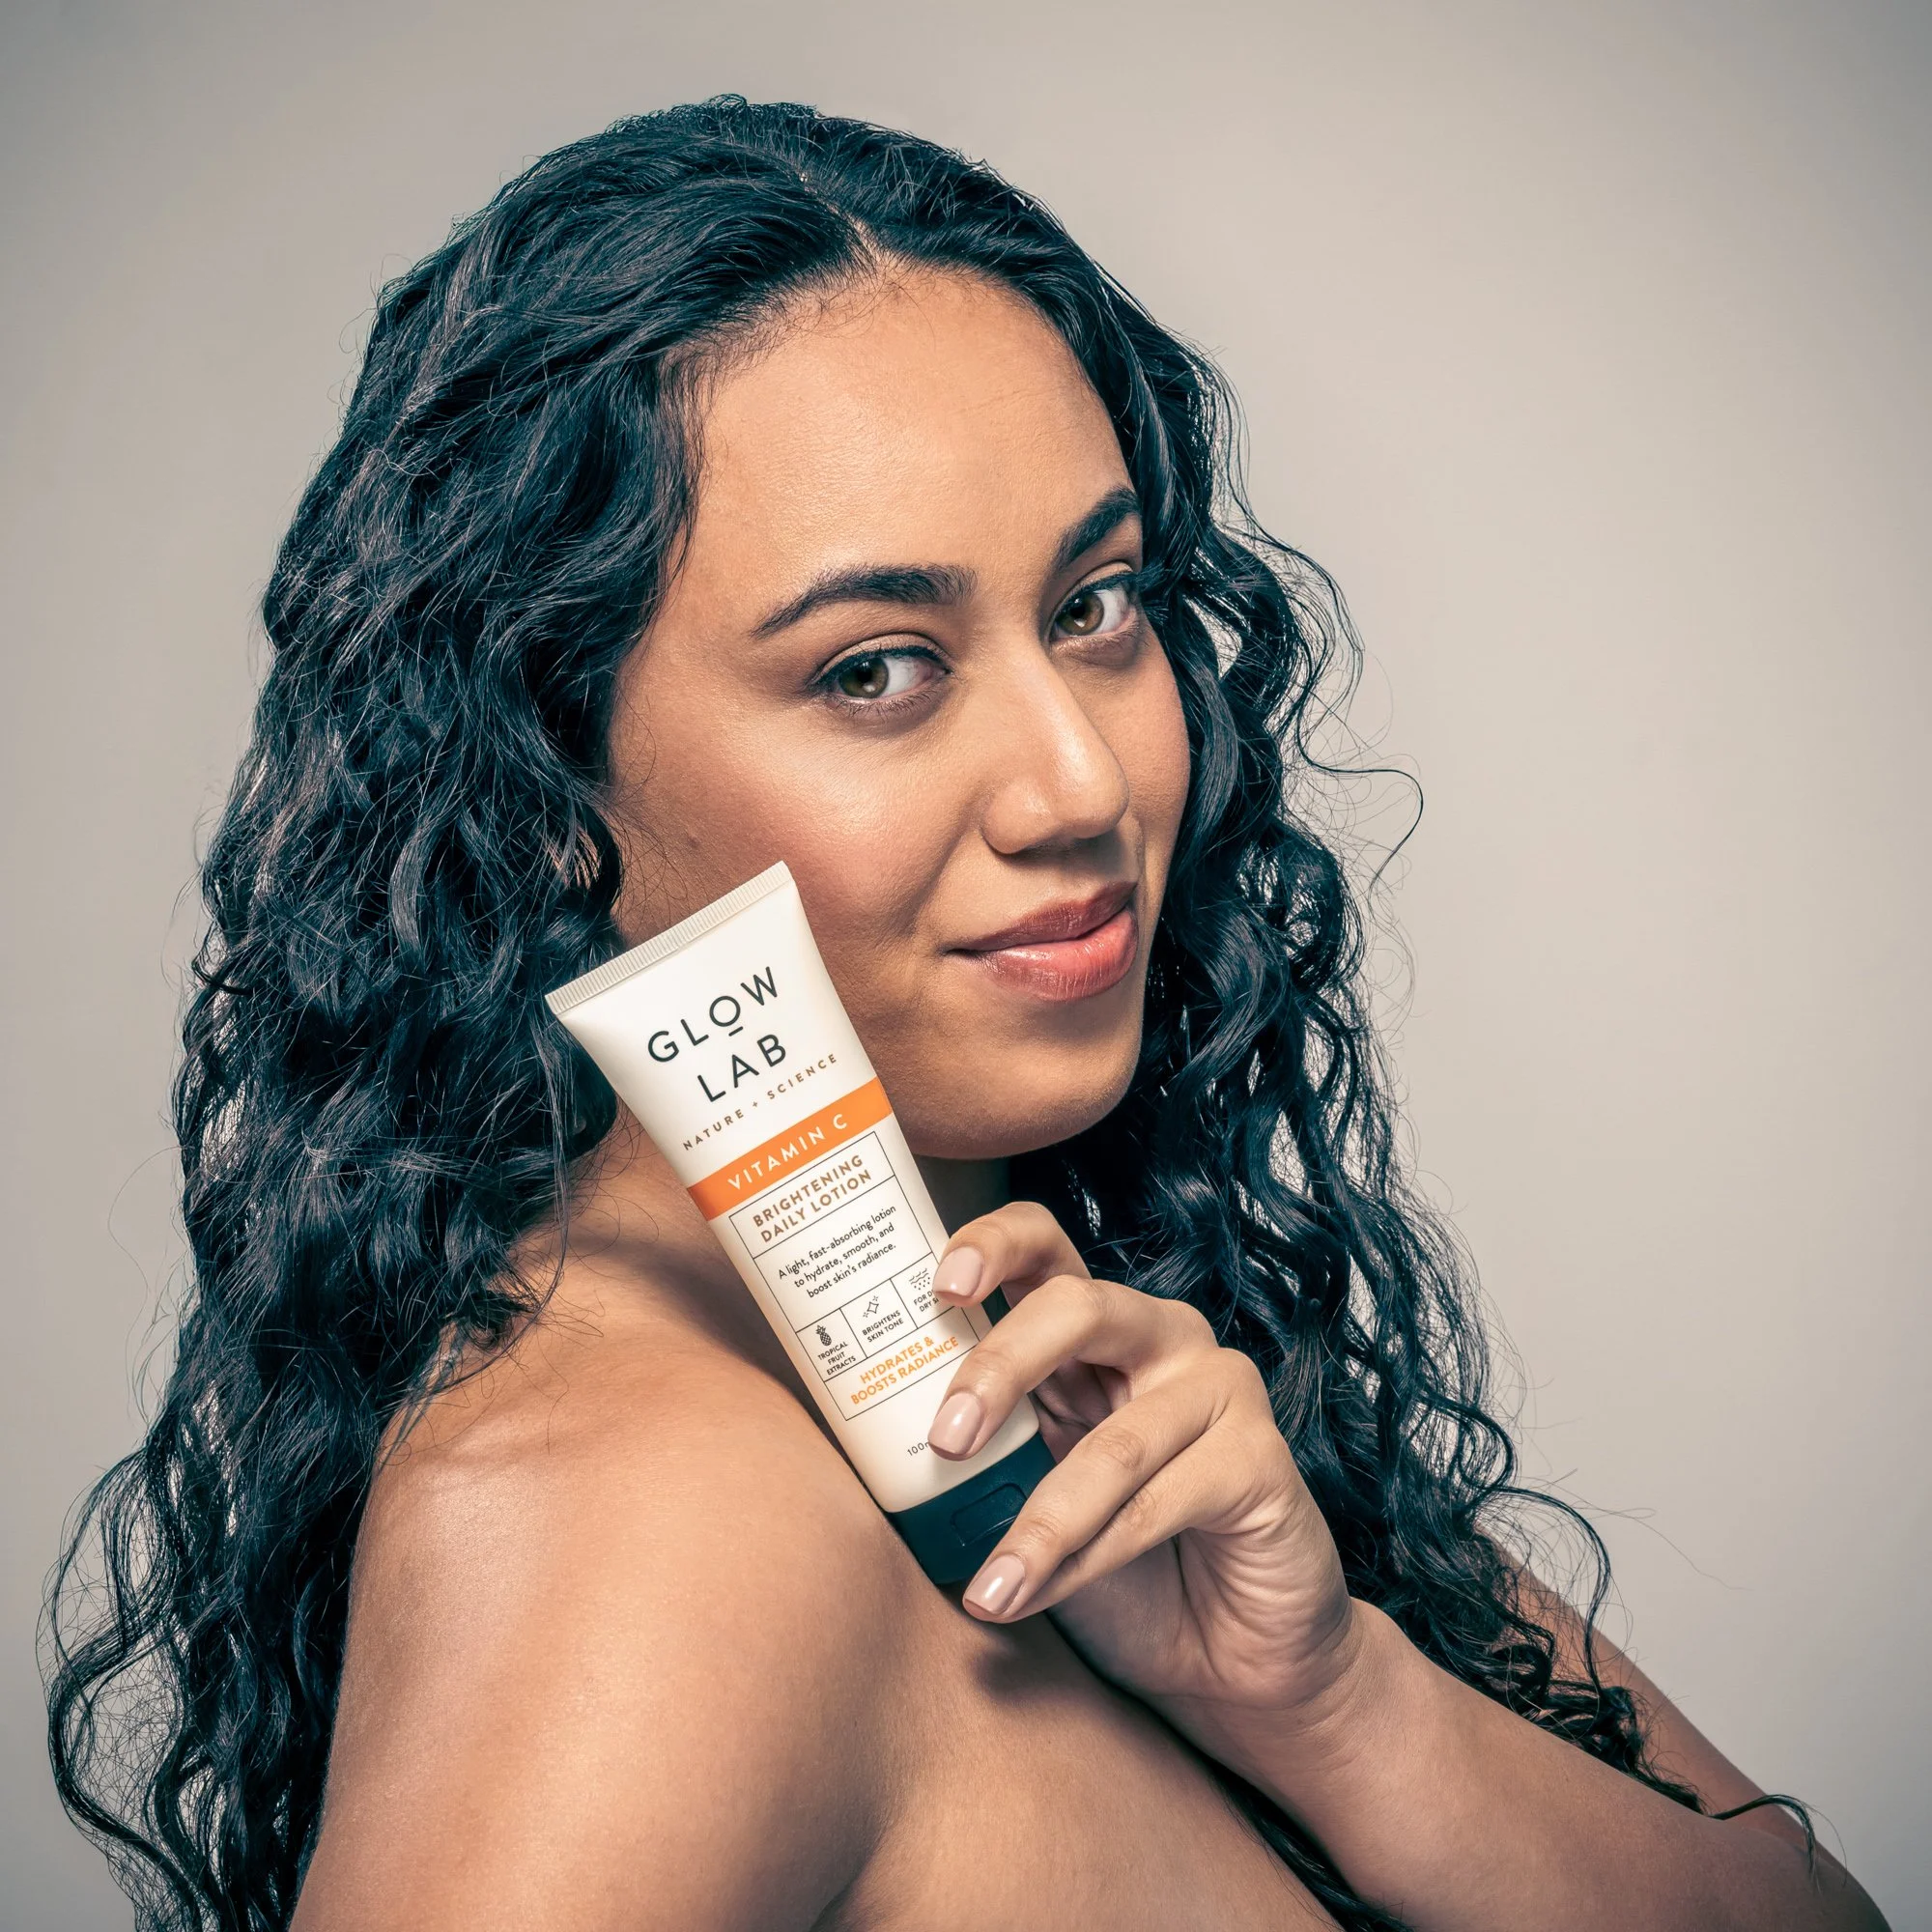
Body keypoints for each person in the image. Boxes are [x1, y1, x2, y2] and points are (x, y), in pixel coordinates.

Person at [46, 99, 1887, 1932]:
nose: (1082, 782)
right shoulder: (637, 1518)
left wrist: (1338, 1708)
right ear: (538, 787)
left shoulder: (1104, 1357)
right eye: (875, 670)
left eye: (1096, 606)